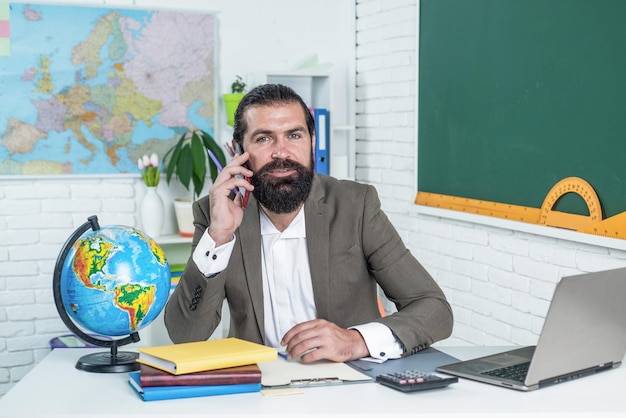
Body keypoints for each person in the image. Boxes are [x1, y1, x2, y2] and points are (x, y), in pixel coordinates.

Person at [164, 83, 453, 363]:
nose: (281, 152)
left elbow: (434, 309)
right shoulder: (215, 215)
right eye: (264, 138)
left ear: (313, 142)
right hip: (258, 390)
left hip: (351, 385)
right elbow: (185, 335)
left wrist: (356, 341)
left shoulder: (356, 206)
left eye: (294, 135)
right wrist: (219, 236)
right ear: (237, 151)